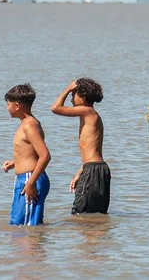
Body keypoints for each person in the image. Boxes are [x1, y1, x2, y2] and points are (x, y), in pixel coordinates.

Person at [50, 78, 111, 215]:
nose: (71, 100)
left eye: (73, 95)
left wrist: (68, 88)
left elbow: (55, 108)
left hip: (93, 170)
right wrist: (80, 173)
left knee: (80, 214)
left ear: (82, 97)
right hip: (96, 168)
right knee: (95, 215)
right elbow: (92, 152)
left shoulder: (88, 111)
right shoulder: (92, 115)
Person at [3, 83, 51, 226]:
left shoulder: (30, 125)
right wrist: (14, 163)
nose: (7, 108)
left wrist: (30, 183)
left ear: (17, 106)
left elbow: (45, 155)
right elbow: (30, 154)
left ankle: (32, 249)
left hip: (30, 179)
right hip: (25, 178)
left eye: (8, 104)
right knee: (21, 225)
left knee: (25, 228)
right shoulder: (24, 124)